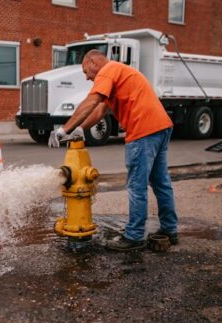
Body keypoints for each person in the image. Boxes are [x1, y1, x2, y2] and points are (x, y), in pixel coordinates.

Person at [49, 49, 178, 251]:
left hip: (142, 131)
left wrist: (64, 130)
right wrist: (81, 130)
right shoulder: (119, 72)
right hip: (160, 127)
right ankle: (170, 229)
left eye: (85, 71)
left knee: (137, 186)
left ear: (93, 62)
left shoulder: (107, 71)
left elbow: (91, 101)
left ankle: (134, 236)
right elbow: (100, 109)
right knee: (161, 182)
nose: (86, 77)